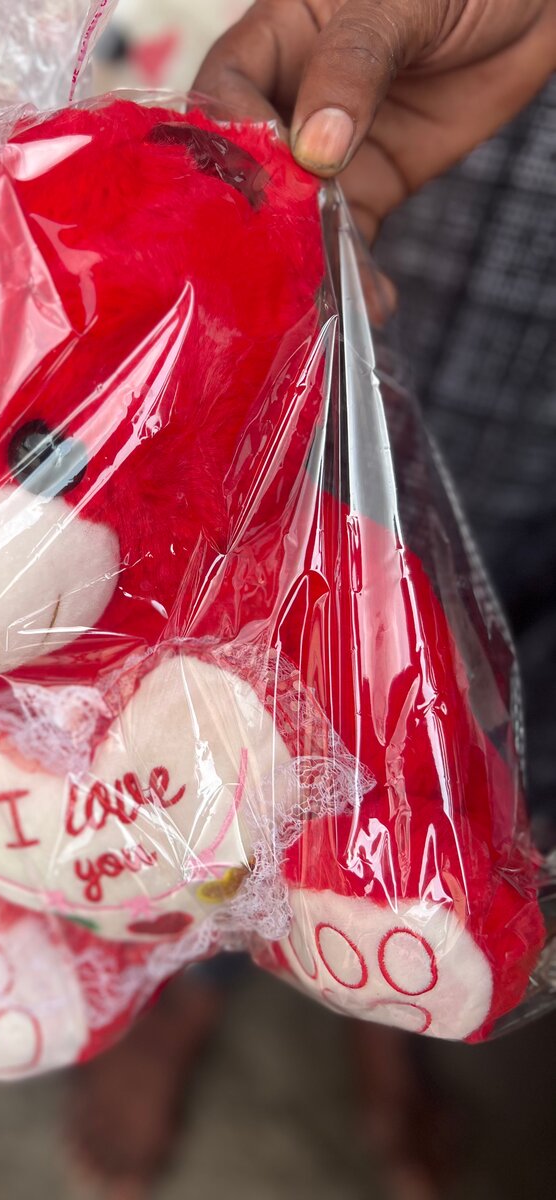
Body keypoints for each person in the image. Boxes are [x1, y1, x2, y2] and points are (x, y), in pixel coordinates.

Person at [68, 4, 556, 1198]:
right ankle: (192, 980)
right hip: (448, 171)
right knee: (263, 645)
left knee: (499, 704)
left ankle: (396, 980)